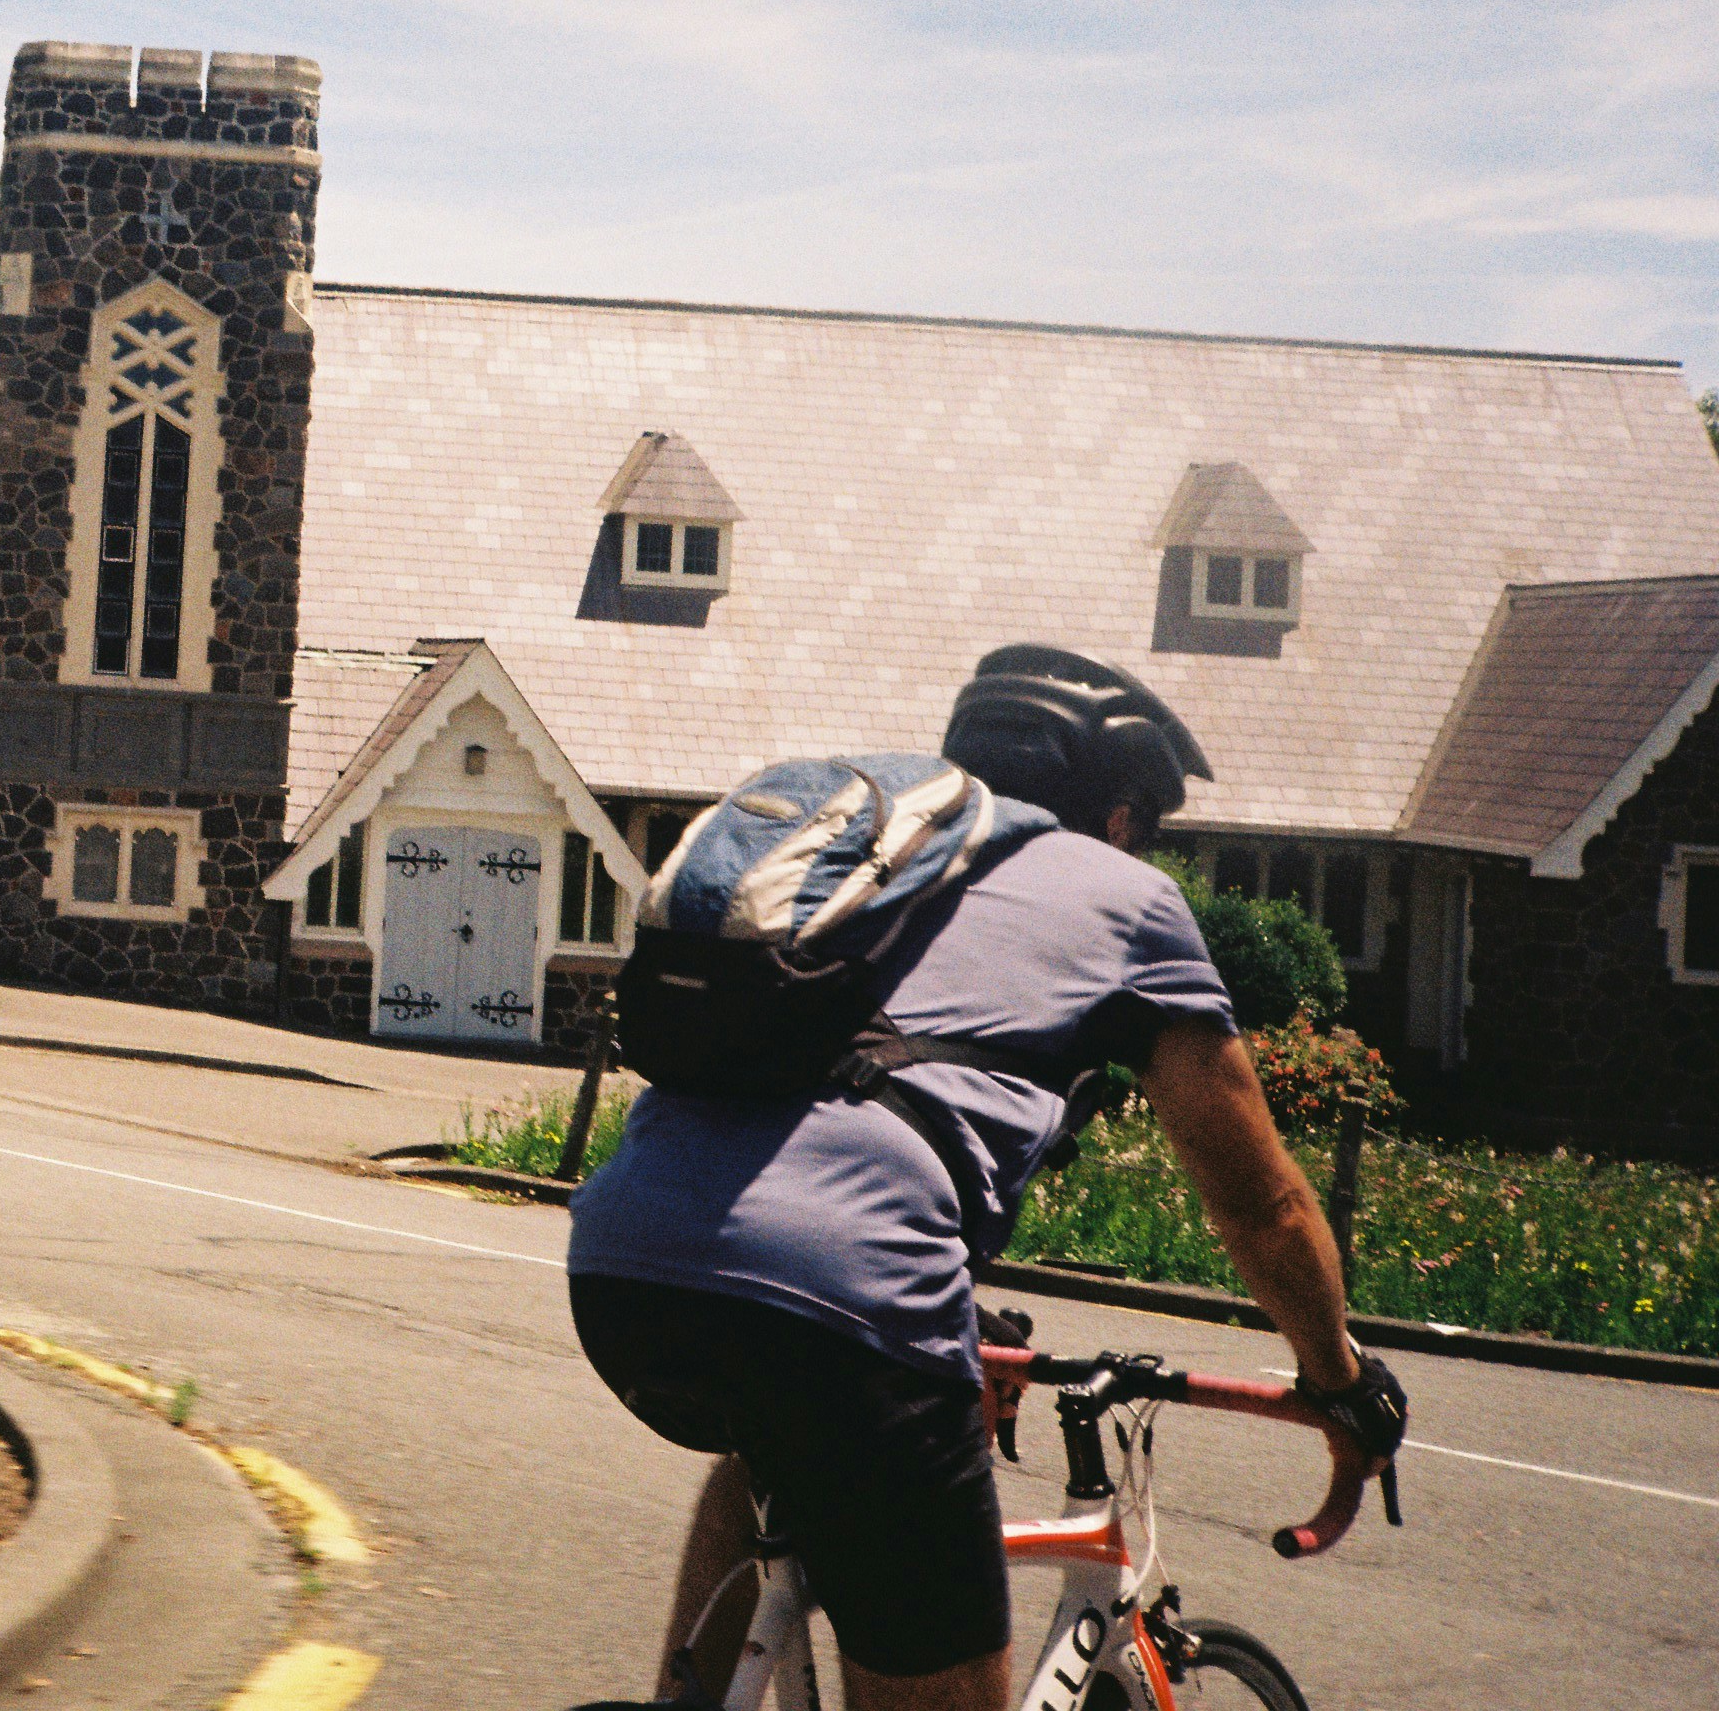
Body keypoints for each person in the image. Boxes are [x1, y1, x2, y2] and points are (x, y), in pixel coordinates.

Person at [570, 645, 1408, 1711]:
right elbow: (1264, 1203)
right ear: (1119, 812)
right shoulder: (1128, 898)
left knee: (768, 1461)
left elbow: (824, 1116)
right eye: (1144, 822)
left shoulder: (885, 865)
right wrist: (1341, 1382)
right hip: (844, 1299)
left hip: (620, 1262)